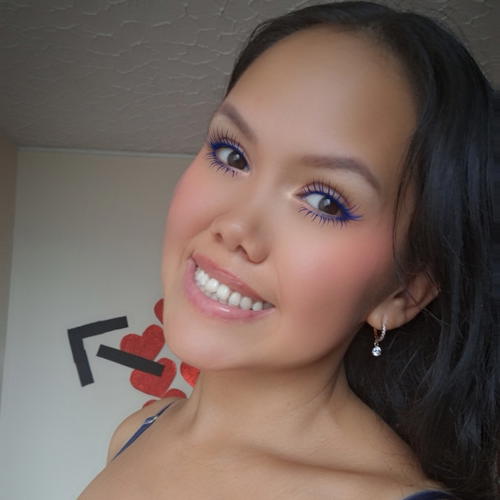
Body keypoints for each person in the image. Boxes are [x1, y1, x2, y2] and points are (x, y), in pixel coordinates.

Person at [78, 2, 498, 499]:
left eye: (325, 201)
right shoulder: (136, 432)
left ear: (404, 292)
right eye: (232, 154)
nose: (235, 226)